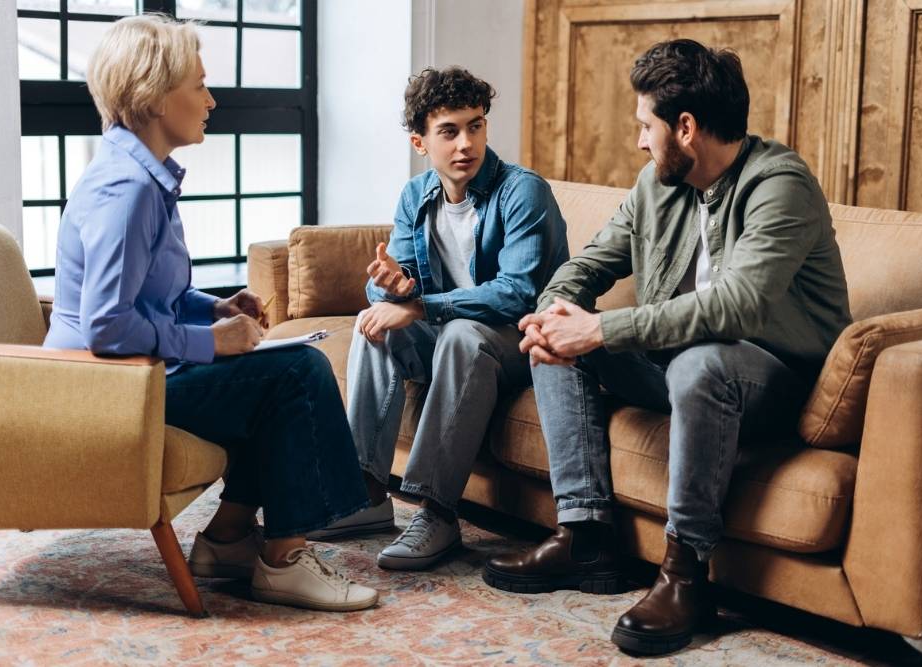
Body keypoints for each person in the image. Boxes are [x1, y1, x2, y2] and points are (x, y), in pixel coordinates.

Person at [481, 39, 851, 655]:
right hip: (674, 367)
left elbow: (739, 305)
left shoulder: (779, 183)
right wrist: (553, 315)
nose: (639, 141)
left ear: (685, 127)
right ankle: (584, 533)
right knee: (557, 333)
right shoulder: (658, 185)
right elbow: (590, 263)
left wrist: (601, 329)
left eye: (644, 126)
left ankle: (686, 576)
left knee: (700, 361)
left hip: (771, 378)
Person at [43, 14, 378, 612]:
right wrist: (210, 343)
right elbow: (104, 325)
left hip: (129, 373)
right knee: (297, 372)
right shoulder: (130, 191)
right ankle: (283, 560)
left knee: (270, 375)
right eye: (199, 85)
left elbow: (145, 296)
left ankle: (225, 541)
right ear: (152, 96)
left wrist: (213, 307)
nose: (211, 99)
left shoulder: (139, 177)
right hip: (107, 387)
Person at [307, 67, 569, 571]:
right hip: (455, 334)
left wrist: (422, 305)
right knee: (372, 324)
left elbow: (517, 294)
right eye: (448, 132)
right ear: (420, 142)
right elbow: (397, 284)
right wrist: (392, 287)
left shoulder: (522, 193)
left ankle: (437, 511)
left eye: (475, 126)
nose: (465, 143)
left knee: (461, 334)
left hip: (522, 342)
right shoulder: (416, 195)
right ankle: (364, 495)